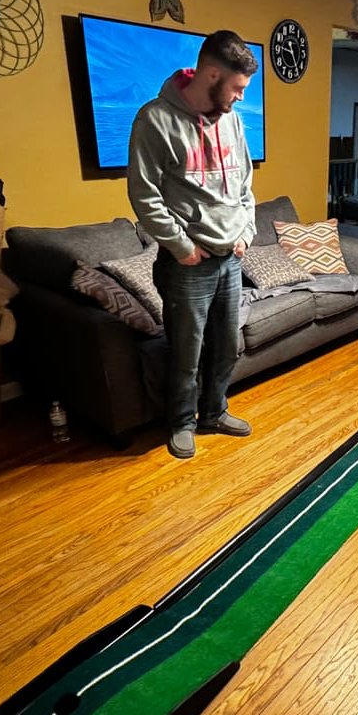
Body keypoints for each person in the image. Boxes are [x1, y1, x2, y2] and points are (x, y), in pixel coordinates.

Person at [127, 30, 258, 459]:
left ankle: (214, 412)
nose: (240, 98)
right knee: (187, 354)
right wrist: (181, 247)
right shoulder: (154, 120)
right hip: (188, 264)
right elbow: (145, 196)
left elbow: (245, 185)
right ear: (213, 74)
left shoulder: (234, 122)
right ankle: (181, 423)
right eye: (237, 88)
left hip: (230, 259)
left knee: (226, 347)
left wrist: (246, 233)